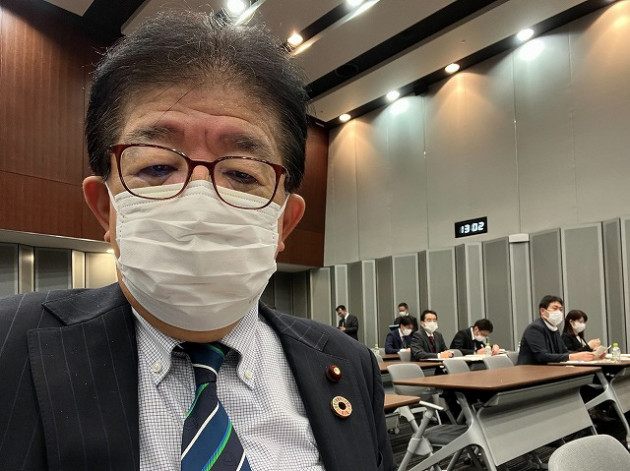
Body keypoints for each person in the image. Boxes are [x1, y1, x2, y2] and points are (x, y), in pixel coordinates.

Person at [0, 12, 394, 471]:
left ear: (284, 224)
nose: (199, 199)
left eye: (242, 174)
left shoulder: (350, 364)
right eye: (157, 167)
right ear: (106, 209)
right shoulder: (9, 347)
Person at [517, 295, 602, 365]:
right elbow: (542, 356)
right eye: (555, 308)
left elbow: (563, 352)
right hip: (531, 372)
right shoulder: (535, 328)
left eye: (561, 309)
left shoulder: (554, 329)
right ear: (543, 311)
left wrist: (590, 355)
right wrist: (572, 357)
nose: (559, 312)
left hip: (550, 369)